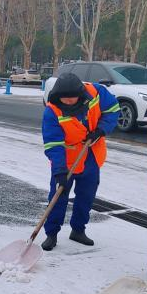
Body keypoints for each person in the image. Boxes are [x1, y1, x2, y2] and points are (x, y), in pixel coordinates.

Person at [40, 73, 119, 250]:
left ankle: (78, 230)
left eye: (72, 98)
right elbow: (53, 144)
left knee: (86, 196)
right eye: (64, 99)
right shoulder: (52, 111)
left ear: (80, 93)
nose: (68, 102)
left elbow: (113, 110)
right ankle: (51, 234)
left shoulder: (96, 93)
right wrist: (59, 170)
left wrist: (101, 129)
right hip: (66, 160)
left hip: (91, 154)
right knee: (58, 196)